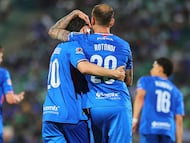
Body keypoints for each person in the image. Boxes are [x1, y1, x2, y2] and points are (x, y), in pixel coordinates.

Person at [48, 4, 133, 143]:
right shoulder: (124, 45)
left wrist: (74, 13)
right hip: (119, 105)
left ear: (92, 20)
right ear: (112, 22)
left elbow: (53, 31)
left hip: (94, 106)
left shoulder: (82, 39)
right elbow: (128, 80)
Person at [132, 57, 185, 143]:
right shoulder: (176, 91)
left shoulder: (146, 80)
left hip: (150, 127)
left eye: (154, 66)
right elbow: (179, 120)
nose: (151, 70)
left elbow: (140, 97)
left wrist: (135, 119)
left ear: (160, 69)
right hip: (168, 130)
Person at [0, 45, 25, 142]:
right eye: (0, 57)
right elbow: (10, 99)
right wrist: (16, 98)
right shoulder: (2, 73)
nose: (1, 60)